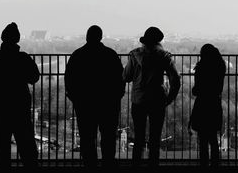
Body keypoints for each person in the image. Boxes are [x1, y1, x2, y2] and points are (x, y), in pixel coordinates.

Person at [64, 25, 124, 167]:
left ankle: (90, 164)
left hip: (84, 103)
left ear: (87, 37)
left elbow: (69, 79)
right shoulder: (111, 55)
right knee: (108, 136)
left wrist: (75, 98)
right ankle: (108, 163)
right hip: (108, 103)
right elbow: (120, 79)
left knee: (87, 137)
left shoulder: (77, 55)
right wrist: (117, 96)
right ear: (101, 37)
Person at [123, 27, 181, 167]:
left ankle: (136, 165)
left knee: (139, 138)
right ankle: (153, 165)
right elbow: (175, 80)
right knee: (155, 138)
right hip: (157, 100)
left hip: (138, 99)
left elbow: (126, 77)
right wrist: (169, 98)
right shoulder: (164, 56)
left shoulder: (135, 55)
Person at [0, 22, 39, 167]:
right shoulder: (22, 58)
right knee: (26, 146)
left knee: (1, 148)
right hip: (20, 106)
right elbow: (34, 77)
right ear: (17, 39)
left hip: (0, 106)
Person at [189, 44, 225, 167]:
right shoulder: (220, 66)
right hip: (214, 104)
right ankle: (215, 164)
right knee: (213, 138)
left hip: (202, 105)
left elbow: (196, 90)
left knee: (203, 139)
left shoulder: (201, 67)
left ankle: (204, 164)